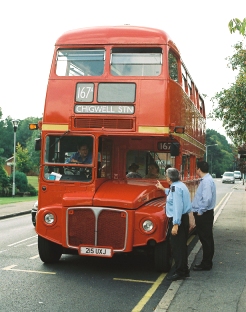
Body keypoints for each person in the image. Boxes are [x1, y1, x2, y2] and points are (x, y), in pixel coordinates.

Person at [156, 168, 191, 281]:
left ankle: (180, 272)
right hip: (183, 218)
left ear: (169, 178)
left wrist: (176, 224)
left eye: (166, 175)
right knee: (182, 246)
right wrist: (163, 189)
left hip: (178, 219)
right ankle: (184, 270)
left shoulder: (175, 188)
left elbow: (177, 207)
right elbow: (173, 194)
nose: (165, 177)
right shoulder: (179, 186)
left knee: (177, 248)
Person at [192, 160, 216, 271]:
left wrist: (200, 212)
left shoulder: (206, 181)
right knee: (208, 238)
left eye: (196, 168)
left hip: (204, 214)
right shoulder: (208, 180)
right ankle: (207, 261)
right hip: (206, 213)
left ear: (199, 170)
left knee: (205, 239)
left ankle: (206, 263)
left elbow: (207, 199)